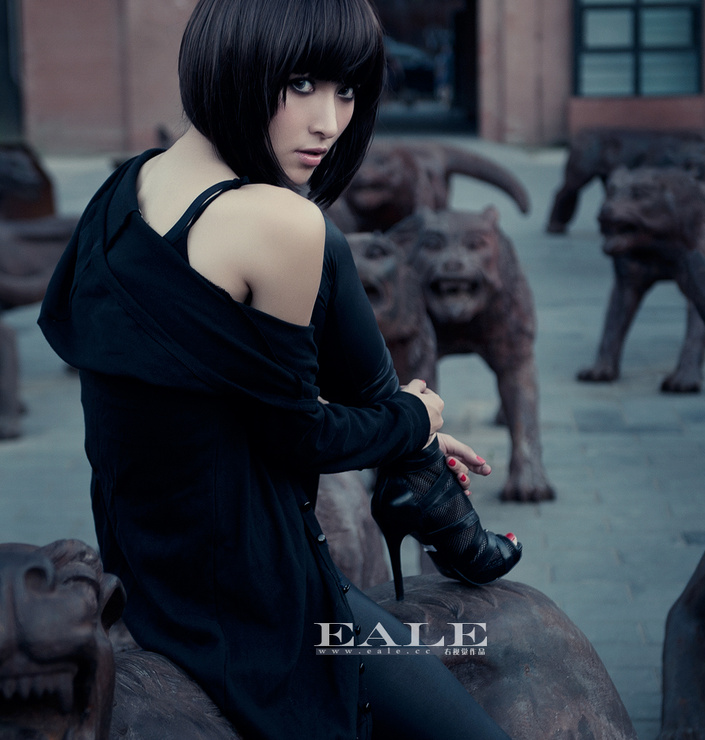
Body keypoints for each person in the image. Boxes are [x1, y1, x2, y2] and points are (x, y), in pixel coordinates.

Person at [39, 1, 521, 738]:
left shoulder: (128, 185)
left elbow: (206, 381)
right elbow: (299, 438)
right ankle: (425, 488)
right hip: (249, 594)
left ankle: (416, 471)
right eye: (301, 84)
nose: (329, 122)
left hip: (143, 565)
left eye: (347, 91)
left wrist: (397, 429)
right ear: (234, 63)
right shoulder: (278, 220)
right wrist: (414, 418)